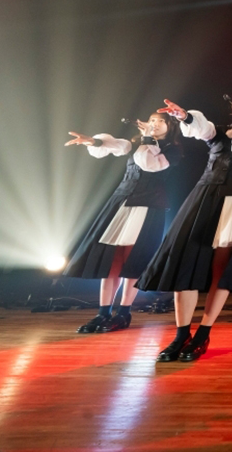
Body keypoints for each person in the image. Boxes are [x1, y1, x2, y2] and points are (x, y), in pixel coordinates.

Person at [137, 91, 232, 362]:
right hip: (205, 194)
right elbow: (201, 128)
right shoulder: (218, 131)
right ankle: (181, 334)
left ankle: (203, 333)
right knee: (183, 258)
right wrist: (184, 116)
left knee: (222, 269)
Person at [64, 112, 182, 333]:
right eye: (152, 120)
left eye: (161, 121)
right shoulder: (136, 143)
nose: (155, 124)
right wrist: (93, 141)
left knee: (133, 260)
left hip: (147, 205)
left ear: (170, 126)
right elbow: (116, 145)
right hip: (122, 202)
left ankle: (124, 313)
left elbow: (149, 164)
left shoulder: (172, 150)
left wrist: (148, 139)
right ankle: (103, 313)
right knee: (112, 260)